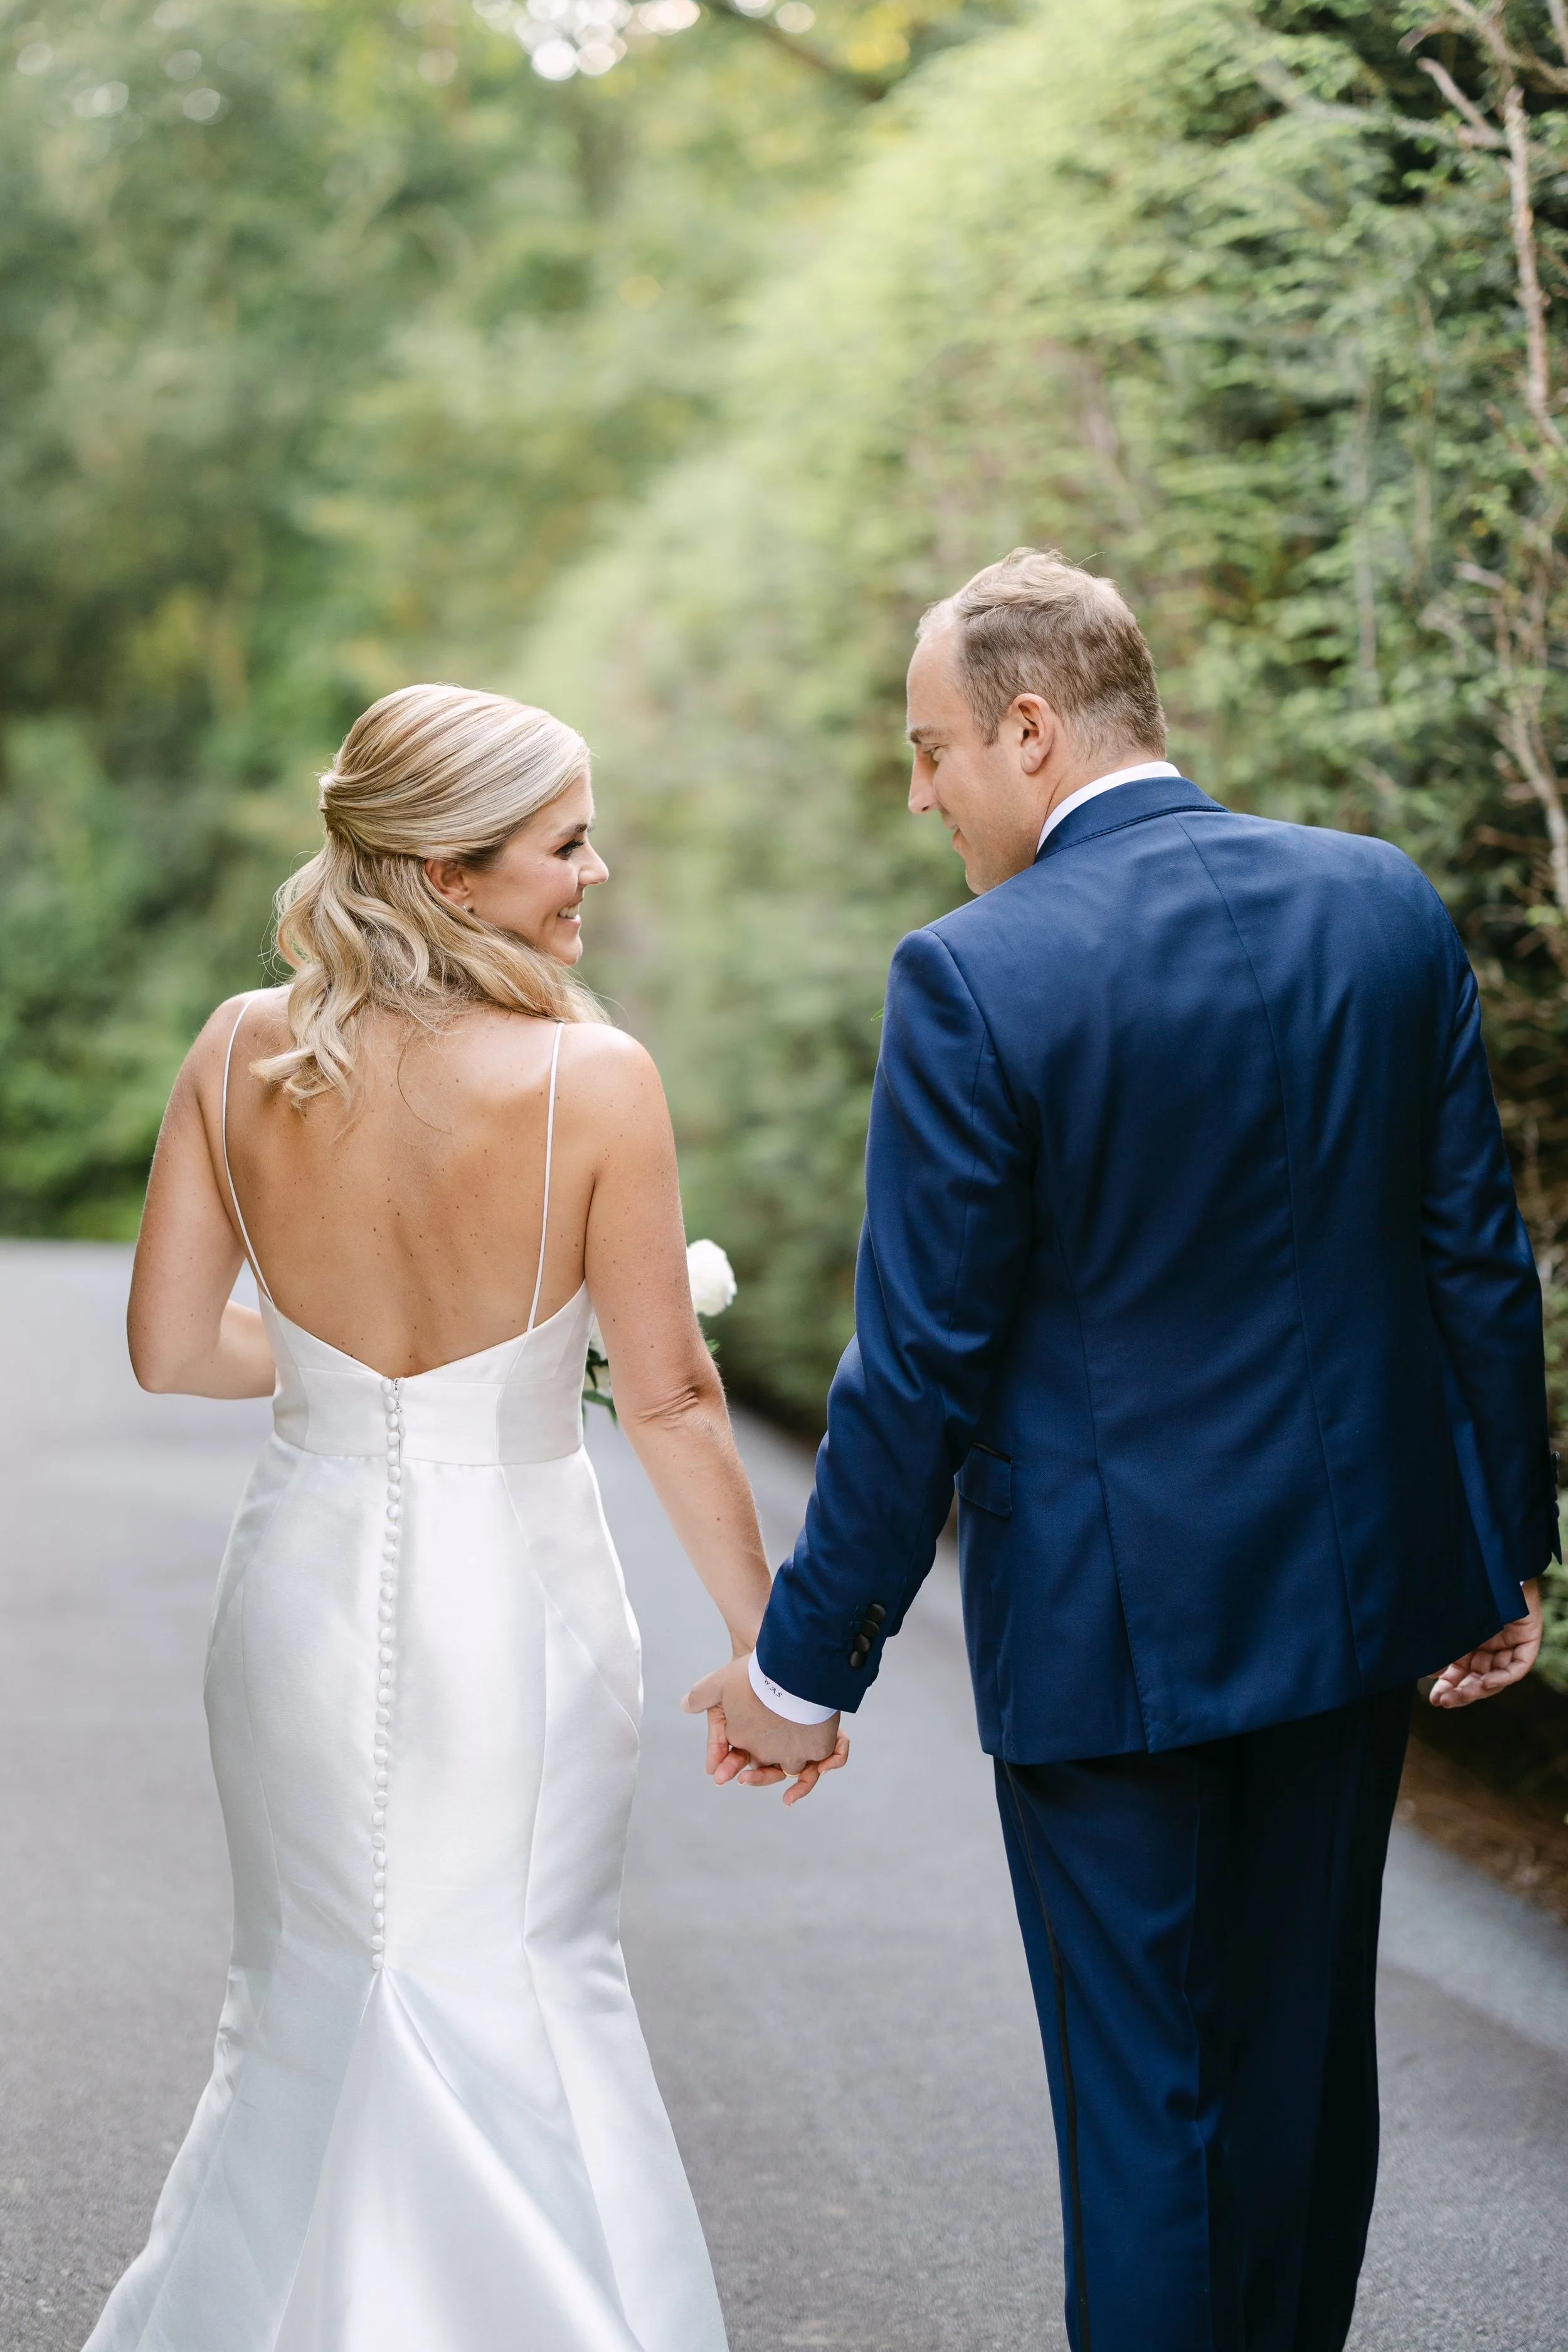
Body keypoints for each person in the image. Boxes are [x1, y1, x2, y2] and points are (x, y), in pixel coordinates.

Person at [687, 549, 1558, 2352]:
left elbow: (916, 1358)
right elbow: (1472, 1252)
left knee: (1143, 2103)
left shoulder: (971, 977)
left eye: (931, 749)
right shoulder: (1377, 906)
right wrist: (1496, 1553)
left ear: (1027, 724)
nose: (918, 792)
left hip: (1109, 1633)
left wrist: (803, 1663)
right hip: (1343, 1608)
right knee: (1305, 2060)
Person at [93, 684, 842, 2352]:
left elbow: (164, 1347)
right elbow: (668, 1398)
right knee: (518, 1967)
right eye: (565, 842)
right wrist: (777, 1653)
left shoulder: (237, 1050)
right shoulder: (595, 1079)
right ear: (447, 871)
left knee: (306, 1985)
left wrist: (341, 1378)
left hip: (298, 1573)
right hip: (515, 1597)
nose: (596, 869)